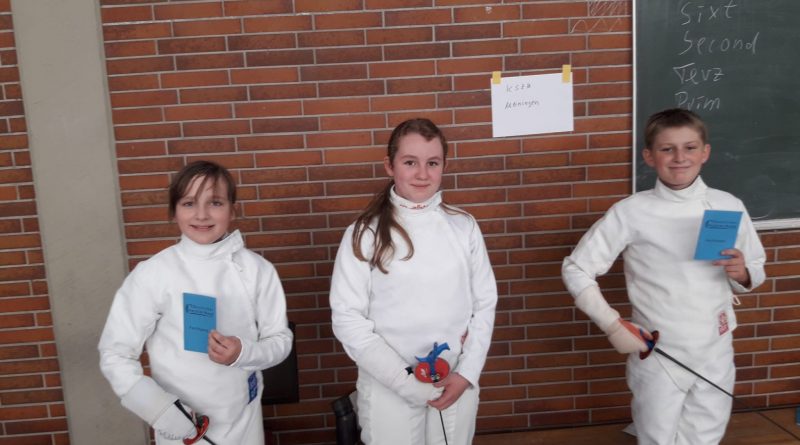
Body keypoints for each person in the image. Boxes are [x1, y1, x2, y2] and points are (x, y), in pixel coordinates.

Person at [562, 108, 766, 445]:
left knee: (706, 435)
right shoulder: (631, 211)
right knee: (657, 437)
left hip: (715, 347)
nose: (679, 158)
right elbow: (576, 267)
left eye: (689, 148)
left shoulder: (728, 204)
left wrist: (743, 273)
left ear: (705, 152)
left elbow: (756, 267)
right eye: (667, 149)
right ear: (649, 156)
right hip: (659, 350)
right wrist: (612, 324)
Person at [98, 160, 293, 444]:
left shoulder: (257, 271)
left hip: (244, 422)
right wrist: (160, 410)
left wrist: (243, 352)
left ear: (232, 209)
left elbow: (280, 340)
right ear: (174, 211)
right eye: (189, 203)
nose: (202, 215)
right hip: (181, 425)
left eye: (215, 202)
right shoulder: (153, 274)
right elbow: (115, 353)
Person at [329, 118, 498, 445]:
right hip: (388, 386)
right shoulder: (365, 233)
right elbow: (348, 319)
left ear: (444, 166)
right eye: (410, 162)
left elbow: (484, 304)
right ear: (389, 166)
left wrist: (467, 373)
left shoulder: (463, 227)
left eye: (432, 163)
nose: (422, 174)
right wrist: (406, 382)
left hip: (454, 380)